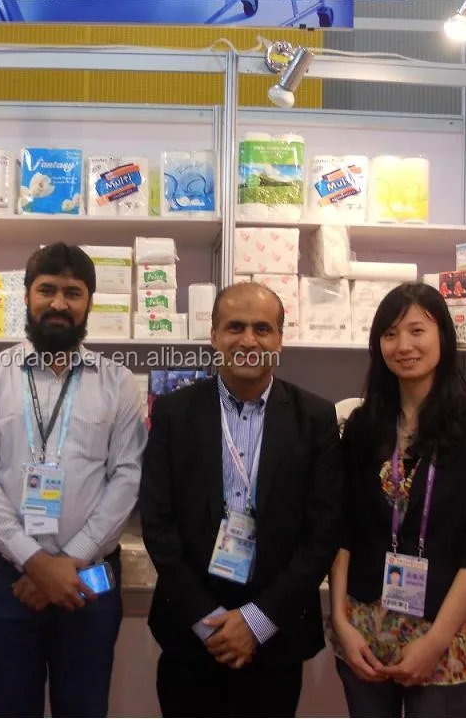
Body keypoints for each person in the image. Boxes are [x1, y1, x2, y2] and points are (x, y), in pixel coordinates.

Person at [0, 242, 147, 718]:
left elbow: (127, 476)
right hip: (7, 578)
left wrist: (70, 561)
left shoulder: (118, 382)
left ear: (89, 303)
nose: (59, 303)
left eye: (73, 292)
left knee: (84, 708)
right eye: (47, 290)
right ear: (26, 296)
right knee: (7, 708)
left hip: (91, 576)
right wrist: (35, 561)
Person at [139, 282, 344, 718]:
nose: (248, 340)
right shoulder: (174, 412)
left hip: (276, 635)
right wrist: (207, 620)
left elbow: (322, 533)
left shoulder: (314, 418)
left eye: (262, 328)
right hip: (190, 633)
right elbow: (157, 523)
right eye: (235, 327)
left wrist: (256, 622)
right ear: (214, 335)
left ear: (280, 339)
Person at [328, 282, 466, 718]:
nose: (403, 345)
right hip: (365, 625)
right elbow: (342, 530)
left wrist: (436, 641)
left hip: (445, 629)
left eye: (417, 330)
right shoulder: (362, 425)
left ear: (443, 335)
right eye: (390, 334)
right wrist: (340, 621)